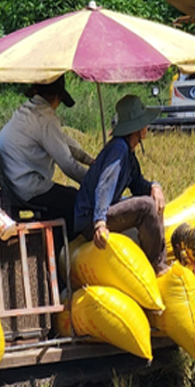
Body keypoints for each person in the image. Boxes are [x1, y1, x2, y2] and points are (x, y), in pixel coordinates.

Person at [73, 94, 169, 276]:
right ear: (137, 129)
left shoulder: (128, 153)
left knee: (153, 199)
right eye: (145, 124)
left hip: (101, 212)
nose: (147, 127)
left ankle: (158, 261)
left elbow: (138, 184)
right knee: (147, 206)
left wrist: (155, 187)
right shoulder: (119, 149)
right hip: (90, 217)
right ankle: (157, 266)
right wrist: (100, 223)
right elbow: (105, 186)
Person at [0, 75, 94, 239]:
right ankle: (61, 250)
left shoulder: (29, 112)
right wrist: (93, 183)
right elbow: (68, 165)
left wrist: (90, 161)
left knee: (66, 197)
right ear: (58, 97)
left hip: (12, 183)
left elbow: (62, 141)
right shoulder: (45, 118)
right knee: (76, 201)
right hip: (25, 187)